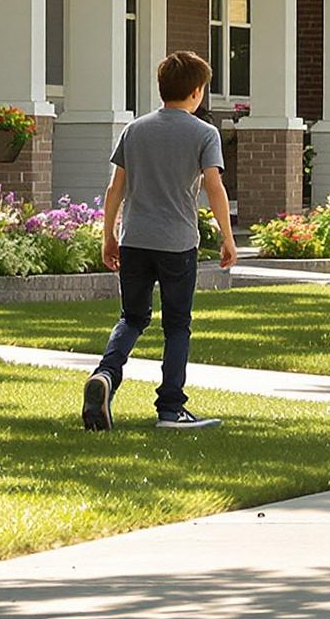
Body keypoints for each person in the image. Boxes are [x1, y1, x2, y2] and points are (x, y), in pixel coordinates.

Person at [83, 50, 239, 432]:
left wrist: (109, 235)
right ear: (197, 92)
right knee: (177, 325)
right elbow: (215, 188)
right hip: (177, 244)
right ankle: (171, 409)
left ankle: (105, 374)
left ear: (162, 87)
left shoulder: (135, 129)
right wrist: (227, 236)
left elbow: (114, 188)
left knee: (132, 318)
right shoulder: (204, 133)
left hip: (135, 239)